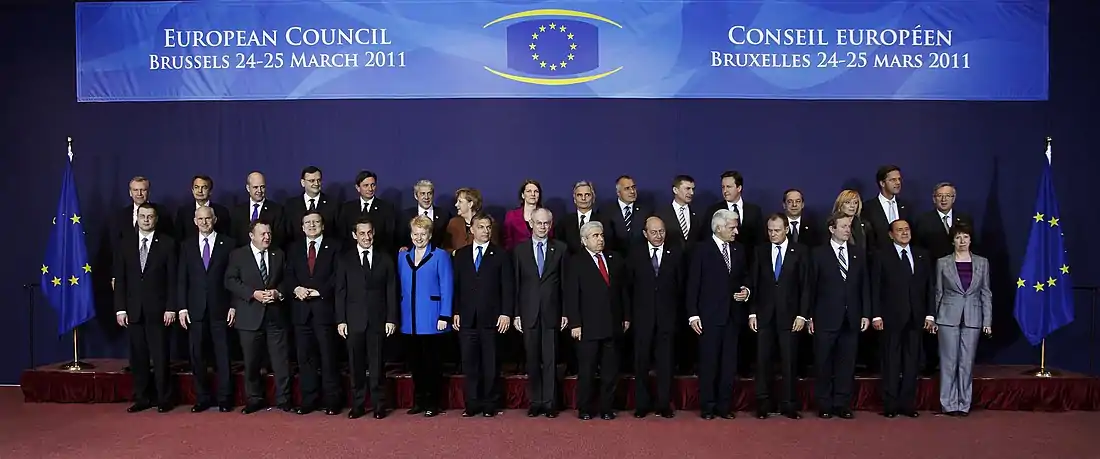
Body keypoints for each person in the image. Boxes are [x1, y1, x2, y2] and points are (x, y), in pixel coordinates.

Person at [685, 209, 750, 420]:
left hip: (733, 317)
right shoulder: (701, 250)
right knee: (709, 364)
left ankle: (724, 406)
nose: (736, 232)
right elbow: (693, 283)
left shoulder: (739, 249)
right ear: (719, 227)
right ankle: (708, 406)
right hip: (708, 318)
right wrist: (693, 315)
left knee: (728, 366)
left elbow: (745, 276)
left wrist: (746, 290)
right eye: (732, 228)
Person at [114, 203, 178, 413]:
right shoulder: (125, 244)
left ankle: (163, 398)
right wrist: (120, 309)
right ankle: (142, 398)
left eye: (150, 216)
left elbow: (173, 280)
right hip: (133, 310)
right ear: (137, 218)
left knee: (160, 357)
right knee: (138, 357)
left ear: (156, 219)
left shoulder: (167, 243)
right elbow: (120, 280)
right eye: (143, 216)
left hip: (159, 311)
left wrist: (171, 307)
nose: (146, 220)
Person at [225, 220, 293, 414]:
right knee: (252, 362)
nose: (267, 237)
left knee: (281, 361)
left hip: (275, 316)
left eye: (269, 233)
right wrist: (252, 293)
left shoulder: (278, 254)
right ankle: (254, 399)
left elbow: (287, 280)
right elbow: (230, 280)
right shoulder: (238, 255)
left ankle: (284, 399)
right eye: (262, 234)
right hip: (249, 316)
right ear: (251, 236)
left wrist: (278, 293)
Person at [806, 213, 870, 419]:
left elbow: (864, 285)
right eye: (843, 226)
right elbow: (810, 287)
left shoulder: (858, 253)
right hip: (825, 317)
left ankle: (842, 404)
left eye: (849, 226)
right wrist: (809, 316)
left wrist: (866, 313)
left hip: (851, 318)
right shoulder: (818, 254)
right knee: (823, 363)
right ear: (831, 229)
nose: (847, 230)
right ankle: (824, 404)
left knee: (846, 363)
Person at [452, 213, 514, 417]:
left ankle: (490, 404)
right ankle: (472, 403)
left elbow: (508, 287)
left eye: (488, 227)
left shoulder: (501, 255)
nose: (485, 231)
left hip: (492, 319)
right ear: (472, 229)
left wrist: (506, 313)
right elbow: (456, 287)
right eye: (481, 227)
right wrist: (455, 311)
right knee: (470, 363)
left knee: (490, 364)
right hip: (467, 319)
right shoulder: (461, 255)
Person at [282, 211, 343, 415]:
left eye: (316, 222)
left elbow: (338, 275)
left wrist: (320, 292)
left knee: (328, 358)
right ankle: (309, 400)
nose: (312, 225)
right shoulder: (294, 248)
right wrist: (296, 288)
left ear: (323, 225)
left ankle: (332, 401)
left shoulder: (335, 247)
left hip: (324, 310)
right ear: (302, 227)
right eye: (307, 222)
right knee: (305, 359)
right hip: (301, 313)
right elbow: (288, 274)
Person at [565, 221, 628, 420]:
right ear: (584, 240)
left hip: (612, 324)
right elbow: (571, 295)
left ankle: (606, 408)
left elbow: (623, 291)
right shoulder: (576, 262)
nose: (600, 239)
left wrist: (626, 316)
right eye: (595, 236)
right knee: (587, 371)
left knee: (610, 371)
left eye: (601, 235)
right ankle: (585, 408)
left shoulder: (614, 258)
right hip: (588, 326)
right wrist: (575, 323)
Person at [870, 219, 933, 418]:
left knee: (912, 363)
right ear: (891, 235)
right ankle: (890, 405)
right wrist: (876, 315)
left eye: (907, 229)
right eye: (899, 230)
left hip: (916, 317)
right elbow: (875, 287)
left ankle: (907, 405)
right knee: (891, 362)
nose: (904, 233)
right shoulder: (881, 255)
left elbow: (929, 287)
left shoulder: (922, 255)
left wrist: (930, 314)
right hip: (890, 318)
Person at [748, 213, 808, 420]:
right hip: (764, 316)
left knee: (789, 362)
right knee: (763, 361)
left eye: (777, 230)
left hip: (790, 317)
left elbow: (805, 286)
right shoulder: (760, 251)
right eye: (770, 230)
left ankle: (789, 404)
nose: (772, 234)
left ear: (787, 230)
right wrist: (752, 312)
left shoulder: (800, 251)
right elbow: (754, 283)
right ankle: (763, 404)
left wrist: (802, 315)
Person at [336, 217, 398, 419]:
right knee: (356, 366)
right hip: (353, 321)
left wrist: (391, 318)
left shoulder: (385, 258)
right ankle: (358, 405)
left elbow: (391, 290)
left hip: (378, 320)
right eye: (361, 233)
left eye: (369, 232)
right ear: (354, 235)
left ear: (374, 233)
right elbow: (340, 291)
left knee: (377, 365)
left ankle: (379, 405)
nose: (366, 237)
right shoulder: (345, 259)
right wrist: (341, 320)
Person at [177, 205, 235, 413]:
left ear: (214, 219)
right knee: (197, 355)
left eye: (208, 219)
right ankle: (202, 398)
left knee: (223, 355)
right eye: (200, 219)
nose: (204, 222)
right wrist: (182, 308)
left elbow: (234, 278)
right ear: (195, 221)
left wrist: (233, 305)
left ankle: (225, 398)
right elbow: (182, 279)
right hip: (195, 309)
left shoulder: (228, 244)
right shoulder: (186, 245)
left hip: (221, 308)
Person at [513, 208, 568, 418]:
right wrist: (516, 314)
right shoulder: (519, 250)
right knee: (533, 359)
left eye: (546, 223)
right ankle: (536, 402)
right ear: (531, 224)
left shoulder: (560, 249)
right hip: (528, 313)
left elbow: (565, 284)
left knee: (551, 359)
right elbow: (516, 285)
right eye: (539, 223)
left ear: (551, 225)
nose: (543, 227)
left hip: (552, 312)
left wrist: (565, 313)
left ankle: (550, 402)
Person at [626, 216, 683, 418]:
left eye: (661, 232)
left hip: (667, 317)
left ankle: (663, 404)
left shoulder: (676, 253)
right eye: (654, 232)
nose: (658, 236)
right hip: (642, 318)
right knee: (641, 362)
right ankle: (642, 405)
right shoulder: (635, 254)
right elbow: (628, 287)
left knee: (665, 363)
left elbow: (681, 286)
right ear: (645, 233)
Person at [398, 215, 454, 417]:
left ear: (430, 235)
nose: (418, 238)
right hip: (409, 319)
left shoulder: (440, 256)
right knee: (415, 364)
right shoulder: (403, 256)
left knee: (432, 365)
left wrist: (445, 315)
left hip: (432, 318)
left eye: (423, 234)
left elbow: (447, 285)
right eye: (415, 234)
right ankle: (419, 401)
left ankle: (433, 403)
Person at [932, 223, 992, 417]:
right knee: (949, 362)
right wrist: (934, 318)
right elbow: (938, 292)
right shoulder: (943, 263)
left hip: (973, 317)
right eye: (958, 237)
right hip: (947, 317)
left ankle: (964, 404)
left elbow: (986, 293)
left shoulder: (982, 262)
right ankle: (948, 404)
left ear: (971, 239)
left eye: (965, 237)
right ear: (953, 241)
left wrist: (987, 321)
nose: (962, 241)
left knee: (966, 362)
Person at [502, 179, 551, 250]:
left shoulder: (546, 215)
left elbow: (550, 238)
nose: (532, 194)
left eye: (536, 191)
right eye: (529, 191)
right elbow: (507, 240)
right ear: (523, 195)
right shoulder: (511, 216)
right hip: (517, 254)